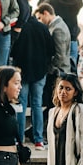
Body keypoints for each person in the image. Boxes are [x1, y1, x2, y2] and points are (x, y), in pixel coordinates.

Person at [10, 10, 53, 148]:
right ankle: (38, 140)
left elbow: (14, 51)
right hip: (40, 72)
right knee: (37, 105)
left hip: (22, 72)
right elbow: (52, 50)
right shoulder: (43, 28)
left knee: (21, 105)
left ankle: (19, 139)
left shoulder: (21, 28)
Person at [38, 0, 83, 69]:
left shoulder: (53, 1)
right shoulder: (78, 2)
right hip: (72, 38)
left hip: (55, 37)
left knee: (58, 67)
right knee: (71, 69)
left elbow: (40, 5)